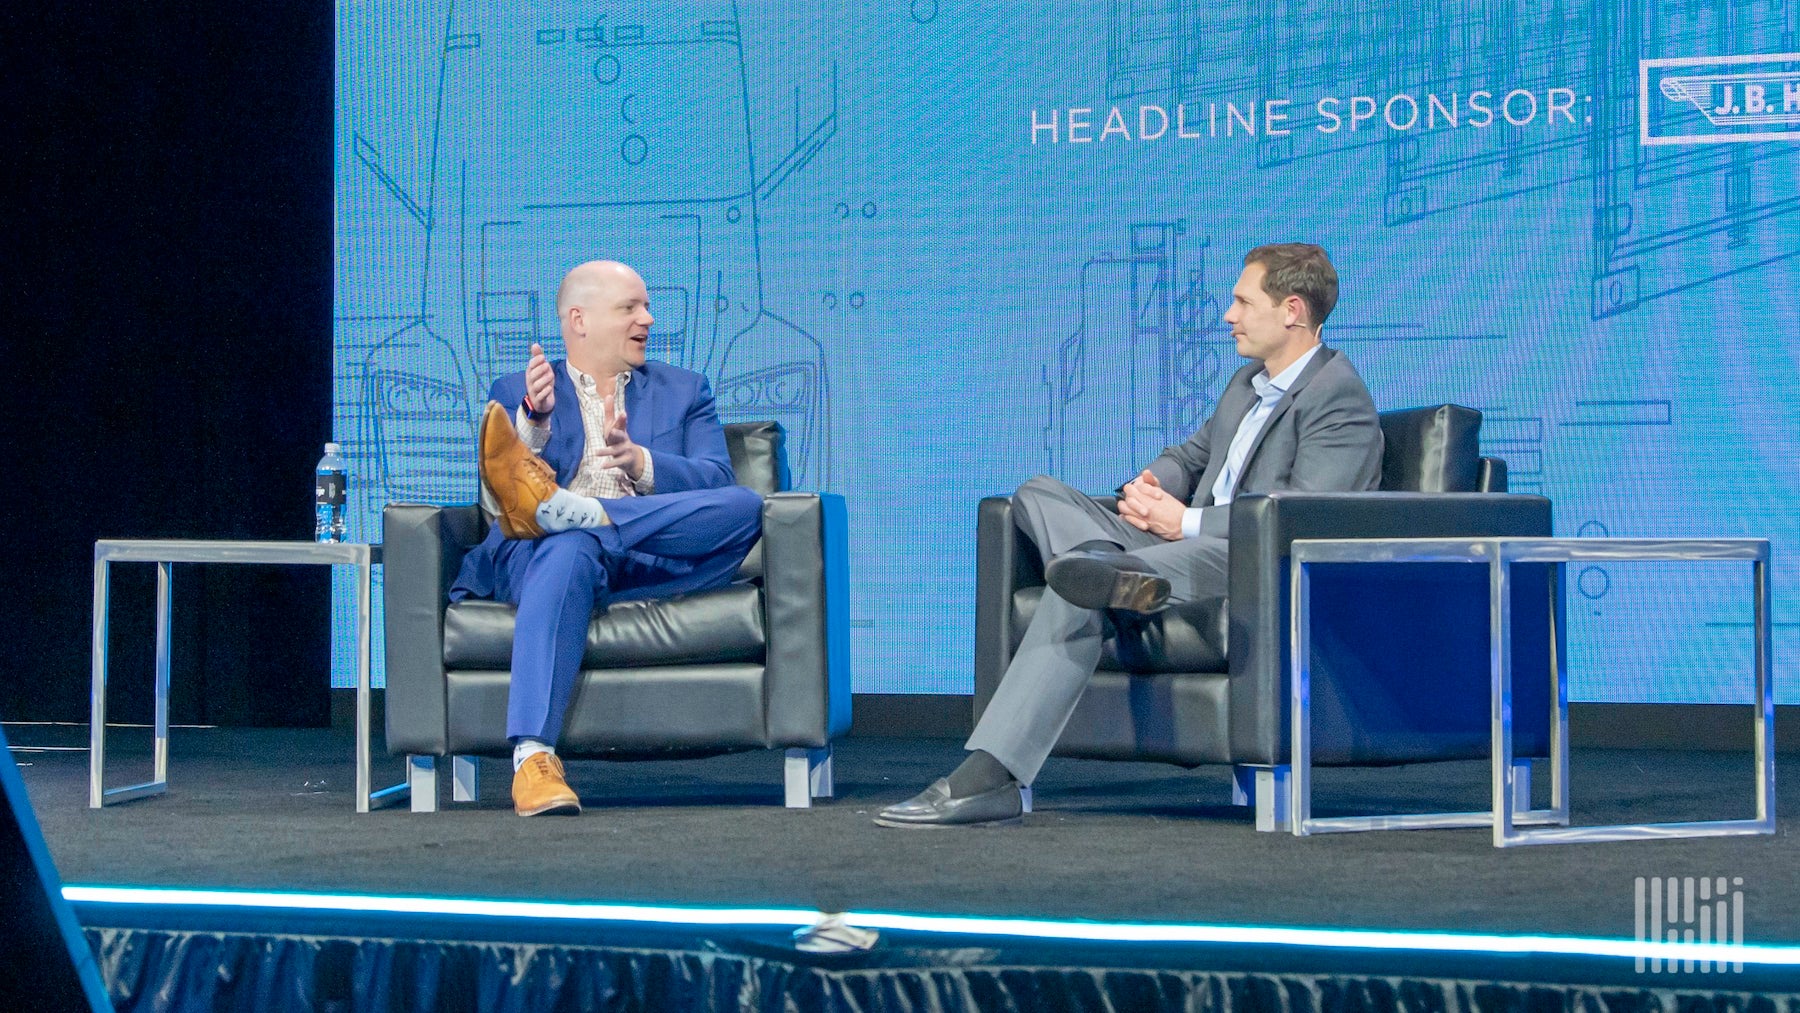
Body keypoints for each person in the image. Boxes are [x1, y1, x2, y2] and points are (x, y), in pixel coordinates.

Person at [875, 243, 1384, 828]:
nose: (1228, 315)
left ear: (1292, 309)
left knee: (1076, 592)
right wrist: (1145, 489)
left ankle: (992, 777)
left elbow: (1304, 517)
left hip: (1243, 560)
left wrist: (1183, 521)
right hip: (1173, 549)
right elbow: (1189, 457)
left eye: (1243, 302)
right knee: (1035, 493)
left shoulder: (1337, 395)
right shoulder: (1248, 383)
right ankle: (1102, 563)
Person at [454, 260, 764, 816]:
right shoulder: (517, 390)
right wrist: (535, 423)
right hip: (549, 561)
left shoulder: (686, 390)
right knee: (568, 545)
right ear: (580, 320)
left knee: (744, 505)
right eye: (630, 308)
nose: (647, 317)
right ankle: (533, 758)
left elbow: (717, 482)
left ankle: (587, 513)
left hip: (652, 556)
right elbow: (504, 488)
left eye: (645, 306)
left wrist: (642, 463)